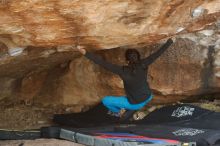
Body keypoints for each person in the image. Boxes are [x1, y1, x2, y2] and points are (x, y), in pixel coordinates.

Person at [76, 38, 174, 118]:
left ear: (127, 60)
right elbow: (157, 54)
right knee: (133, 93)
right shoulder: (144, 64)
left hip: (135, 103)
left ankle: (118, 112)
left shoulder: (122, 70)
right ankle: (129, 109)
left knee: (106, 100)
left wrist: (85, 52)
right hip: (148, 97)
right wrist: (170, 41)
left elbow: (103, 63)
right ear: (138, 58)